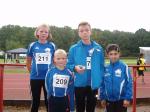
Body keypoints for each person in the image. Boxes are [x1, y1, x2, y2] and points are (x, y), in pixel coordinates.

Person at [67, 21, 104, 112]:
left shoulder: (98, 48)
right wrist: (75, 68)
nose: (84, 32)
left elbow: (101, 66)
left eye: (87, 30)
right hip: (79, 84)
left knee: (91, 108)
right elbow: (68, 64)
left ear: (90, 31)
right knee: (80, 108)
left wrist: (100, 81)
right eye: (82, 31)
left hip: (93, 85)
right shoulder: (73, 48)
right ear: (78, 33)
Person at [26, 24, 56, 112]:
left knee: (49, 101)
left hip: (48, 78)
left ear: (48, 34)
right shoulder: (32, 45)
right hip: (35, 78)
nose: (43, 33)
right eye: (41, 31)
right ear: (37, 32)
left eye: (46, 32)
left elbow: (55, 61)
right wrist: (32, 72)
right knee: (35, 101)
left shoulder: (52, 46)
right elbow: (28, 61)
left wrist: (52, 73)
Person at [100, 44, 132, 112]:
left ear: (119, 54)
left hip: (121, 100)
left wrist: (127, 98)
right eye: (111, 54)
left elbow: (129, 83)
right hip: (108, 100)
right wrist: (102, 98)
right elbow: (102, 84)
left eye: (115, 54)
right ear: (107, 55)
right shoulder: (105, 68)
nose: (113, 56)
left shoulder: (124, 67)